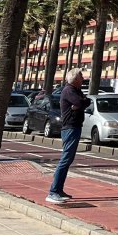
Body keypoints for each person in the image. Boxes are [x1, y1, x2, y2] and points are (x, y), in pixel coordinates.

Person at [47, 68, 90, 204]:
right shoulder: (69, 90)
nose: (83, 78)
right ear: (75, 78)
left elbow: (85, 102)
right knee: (65, 160)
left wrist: (81, 103)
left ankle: (59, 190)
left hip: (75, 127)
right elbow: (80, 103)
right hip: (70, 128)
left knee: (68, 160)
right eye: (81, 76)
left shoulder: (76, 91)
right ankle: (53, 191)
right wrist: (80, 103)